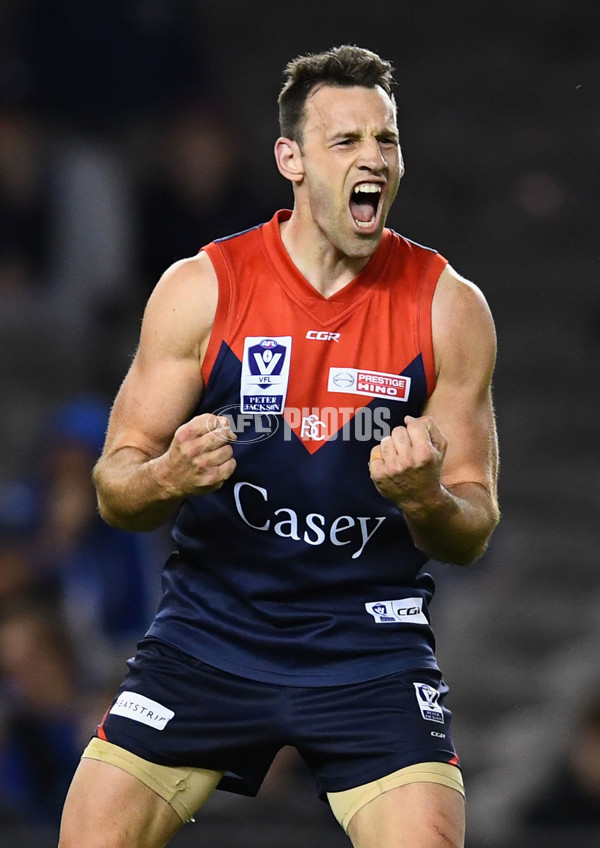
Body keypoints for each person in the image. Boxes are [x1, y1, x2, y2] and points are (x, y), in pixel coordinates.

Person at [57, 45, 499, 848]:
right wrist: (167, 473)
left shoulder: (447, 308)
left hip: (370, 642)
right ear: (290, 159)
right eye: (347, 142)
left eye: (386, 141)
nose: (374, 159)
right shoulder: (203, 289)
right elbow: (114, 491)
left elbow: (473, 528)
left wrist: (429, 497)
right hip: (210, 632)